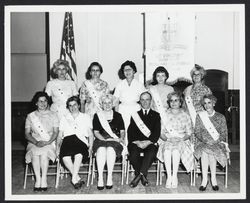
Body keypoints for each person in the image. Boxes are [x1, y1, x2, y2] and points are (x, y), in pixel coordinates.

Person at [157, 92, 193, 188]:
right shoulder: (164, 115)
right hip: (167, 139)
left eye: (176, 100)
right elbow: (160, 132)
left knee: (176, 151)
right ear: (169, 103)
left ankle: (174, 176)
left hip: (181, 140)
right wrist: (168, 139)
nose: (173, 102)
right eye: (171, 101)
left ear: (180, 103)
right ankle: (169, 177)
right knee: (167, 151)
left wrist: (180, 139)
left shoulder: (185, 115)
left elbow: (189, 133)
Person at [25, 92, 59, 191]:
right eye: (40, 101)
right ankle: (38, 180)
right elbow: (27, 134)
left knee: (44, 154)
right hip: (34, 141)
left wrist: (48, 142)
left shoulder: (53, 115)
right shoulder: (30, 116)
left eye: (45, 101)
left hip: (49, 141)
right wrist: (36, 142)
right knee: (35, 154)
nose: (43, 103)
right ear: (36, 103)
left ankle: (43, 179)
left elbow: (56, 132)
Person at [194, 94, 229, 191]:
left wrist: (215, 140)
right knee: (205, 151)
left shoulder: (221, 117)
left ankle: (213, 179)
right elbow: (197, 131)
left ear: (213, 103)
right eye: (205, 103)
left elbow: (224, 133)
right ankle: (205, 179)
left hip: (217, 142)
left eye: (209, 102)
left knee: (210, 150)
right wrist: (205, 140)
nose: (207, 105)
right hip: (203, 141)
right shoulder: (200, 116)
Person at [57, 96, 93, 189]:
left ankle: (73, 179)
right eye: (70, 105)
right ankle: (76, 177)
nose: (73, 107)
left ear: (79, 105)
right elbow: (60, 135)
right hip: (67, 140)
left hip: (80, 140)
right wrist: (57, 147)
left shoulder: (85, 117)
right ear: (68, 107)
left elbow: (90, 134)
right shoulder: (64, 118)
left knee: (79, 155)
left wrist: (91, 147)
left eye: (75, 105)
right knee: (65, 157)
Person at [127, 92, 161, 188]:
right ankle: (142, 175)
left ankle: (139, 175)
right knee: (133, 153)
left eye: (147, 99)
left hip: (150, 142)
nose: (145, 102)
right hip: (136, 142)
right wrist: (137, 142)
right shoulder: (135, 115)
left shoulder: (156, 115)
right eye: (142, 99)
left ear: (151, 101)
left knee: (151, 152)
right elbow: (131, 131)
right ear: (140, 102)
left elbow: (156, 132)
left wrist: (148, 142)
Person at [92, 94, 125, 190]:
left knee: (110, 150)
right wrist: (106, 139)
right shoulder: (97, 115)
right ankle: (100, 178)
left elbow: (122, 131)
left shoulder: (118, 116)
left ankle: (109, 176)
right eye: (104, 103)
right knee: (101, 150)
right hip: (101, 139)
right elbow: (96, 132)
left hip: (115, 140)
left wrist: (121, 138)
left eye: (109, 102)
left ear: (113, 104)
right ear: (101, 104)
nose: (107, 105)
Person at [114, 60, 145, 143]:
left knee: (135, 130)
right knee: (123, 130)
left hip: (136, 109)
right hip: (122, 110)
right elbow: (116, 101)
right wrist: (116, 116)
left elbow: (144, 100)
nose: (127, 72)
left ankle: (133, 150)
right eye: (125, 70)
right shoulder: (119, 84)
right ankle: (124, 151)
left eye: (129, 69)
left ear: (134, 71)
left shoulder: (139, 84)